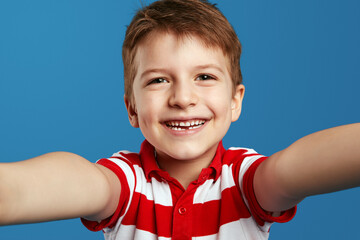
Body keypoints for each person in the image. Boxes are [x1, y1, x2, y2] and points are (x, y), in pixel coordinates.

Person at [0, 0, 359, 239]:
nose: (183, 98)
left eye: (204, 77)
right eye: (158, 80)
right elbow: (66, 181)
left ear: (236, 101)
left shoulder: (246, 180)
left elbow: (297, 167)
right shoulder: (124, 183)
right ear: (132, 109)